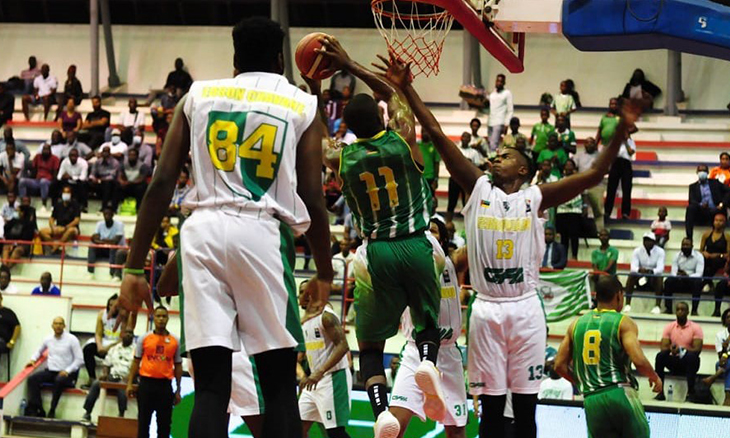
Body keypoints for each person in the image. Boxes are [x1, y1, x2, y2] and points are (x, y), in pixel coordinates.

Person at [382, 52, 641, 438]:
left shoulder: (535, 197)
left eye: (505, 155)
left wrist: (621, 130)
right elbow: (435, 132)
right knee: (489, 412)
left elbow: (595, 174)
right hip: (486, 309)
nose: (496, 156)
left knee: (524, 411)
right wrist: (407, 88)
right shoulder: (479, 186)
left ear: (523, 169)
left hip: (523, 308)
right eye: (496, 152)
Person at [117, 17, 333, 438]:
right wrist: (324, 271)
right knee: (279, 385)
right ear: (279, 59)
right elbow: (313, 197)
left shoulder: (198, 95)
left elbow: (161, 183)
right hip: (262, 234)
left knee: (211, 386)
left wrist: (132, 267)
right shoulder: (300, 104)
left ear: (234, 59)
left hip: (201, 233)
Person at [316, 40, 447, 438]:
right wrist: (351, 64)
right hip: (417, 242)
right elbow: (397, 94)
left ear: (350, 128)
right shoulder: (403, 141)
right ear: (381, 116)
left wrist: (314, 88)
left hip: (376, 254)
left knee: (371, 346)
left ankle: (381, 413)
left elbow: (320, 136)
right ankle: (427, 360)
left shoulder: (343, 157)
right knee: (426, 323)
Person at [388, 219, 469, 438]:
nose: (426, 235)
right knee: (393, 426)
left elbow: (476, 246)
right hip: (415, 353)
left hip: (447, 353)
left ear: (442, 240)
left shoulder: (453, 262)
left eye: (431, 231)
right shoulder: (404, 264)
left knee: (456, 430)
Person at [554, 275, 661, 438]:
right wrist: (654, 377)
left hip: (591, 399)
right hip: (618, 393)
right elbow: (638, 360)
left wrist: (583, 382)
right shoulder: (622, 322)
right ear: (619, 295)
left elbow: (559, 366)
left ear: (596, 296)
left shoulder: (576, 324)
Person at [298, 284, 352, 438]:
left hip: (333, 378)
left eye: (309, 291)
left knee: (335, 433)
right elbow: (303, 357)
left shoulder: (326, 316)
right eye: (302, 292)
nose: (305, 295)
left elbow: (343, 346)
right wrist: (304, 376)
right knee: (296, 429)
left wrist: (319, 372)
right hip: (314, 381)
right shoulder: (304, 322)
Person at [126, 306, 182, 438]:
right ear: (154, 318)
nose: (161, 319)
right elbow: (136, 361)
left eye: (164, 316)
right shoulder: (144, 338)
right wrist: (129, 383)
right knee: (143, 423)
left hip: (165, 386)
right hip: (146, 385)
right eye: (158, 316)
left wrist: (178, 390)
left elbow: (178, 365)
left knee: (164, 425)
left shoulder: (175, 341)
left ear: (168, 319)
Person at [25, 316, 83, 418]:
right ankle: (38, 408)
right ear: (52, 326)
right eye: (56, 324)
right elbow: (39, 350)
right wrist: (33, 359)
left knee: (59, 380)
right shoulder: (48, 339)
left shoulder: (72, 339)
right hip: (51, 371)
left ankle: (52, 409)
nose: (58, 326)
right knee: (32, 379)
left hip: (66, 373)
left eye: (60, 324)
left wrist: (67, 370)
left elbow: (79, 359)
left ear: (64, 326)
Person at [654, 302, 703, 401]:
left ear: (688, 312)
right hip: (674, 360)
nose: (680, 312)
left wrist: (682, 349)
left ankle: (691, 392)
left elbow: (697, 349)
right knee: (660, 356)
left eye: (683, 310)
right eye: (678, 310)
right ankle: (660, 392)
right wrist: (671, 348)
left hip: (688, 361)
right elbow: (663, 347)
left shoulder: (696, 328)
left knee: (692, 357)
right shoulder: (669, 327)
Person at [83, 328, 135, 421]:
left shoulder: (136, 350)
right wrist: (105, 374)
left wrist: (129, 378)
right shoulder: (114, 349)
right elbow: (106, 364)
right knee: (96, 383)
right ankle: (87, 412)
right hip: (113, 376)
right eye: (126, 332)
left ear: (133, 336)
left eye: (130, 333)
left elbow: (138, 368)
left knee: (122, 386)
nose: (128, 335)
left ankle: (121, 414)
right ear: (121, 335)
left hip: (127, 378)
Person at [82, 294, 122, 388]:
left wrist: (108, 348)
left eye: (115, 306)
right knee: (88, 349)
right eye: (110, 305)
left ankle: (114, 381)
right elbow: (98, 333)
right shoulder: (101, 314)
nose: (112, 308)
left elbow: (123, 338)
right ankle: (92, 378)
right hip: (105, 342)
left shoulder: (125, 316)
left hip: (118, 345)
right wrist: (99, 346)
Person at [624, 233, 665, 313]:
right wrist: (640, 270)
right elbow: (633, 267)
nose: (646, 242)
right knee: (631, 275)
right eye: (645, 240)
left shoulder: (660, 251)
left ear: (654, 242)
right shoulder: (637, 251)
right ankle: (627, 304)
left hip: (652, 277)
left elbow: (660, 269)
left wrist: (650, 271)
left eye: (649, 240)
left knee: (659, 277)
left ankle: (657, 306)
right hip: (640, 276)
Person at [664, 238, 704, 315]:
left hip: (691, 281)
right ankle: (668, 308)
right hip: (679, 280)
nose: (685, 247)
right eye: (683, 245)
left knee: (698, 282)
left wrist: (687, 276)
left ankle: (694, 310)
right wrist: (679, 275)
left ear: (692, 246)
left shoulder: (699, 256)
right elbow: (673, 272)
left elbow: (699, 273)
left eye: (687, 245)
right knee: (668, 281)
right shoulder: (677, 256)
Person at [687, 165, 729, 238]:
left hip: (715, 210)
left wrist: (722, 203)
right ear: (697, 172)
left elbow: (728, 191)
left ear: (708, 172)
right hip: (701, 212)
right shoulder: (693, 186)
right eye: (700, 171)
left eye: (704, 171)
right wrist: (700, 205)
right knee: (690, 208)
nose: (702, 173)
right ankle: (689, 237)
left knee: (721, 212)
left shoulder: (715, 183)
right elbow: (692, 200)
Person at [555, 159, 585, 259]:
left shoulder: (579, 180)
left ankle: (574, 255)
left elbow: (583, 194)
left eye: (570, 165)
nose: (568, 167)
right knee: (564, 236)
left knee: (574, 235)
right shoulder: (560, 180)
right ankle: (564, 257)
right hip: (562, 211)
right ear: (564, 168)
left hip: (575, 211)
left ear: (574, 167)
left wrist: (584, 207)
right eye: (566, 165)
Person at [39, 185, 80, 254]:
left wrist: (65, 227)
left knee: (71, 230)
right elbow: (51, 218)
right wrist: (53, 227)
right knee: (42, 231)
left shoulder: (75, 205)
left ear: (71, 194)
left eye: (68, 192)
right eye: (64, 192)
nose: (66, 194)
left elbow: (77, 220)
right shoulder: (58, 204)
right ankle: (56, 249)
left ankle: (54, 248)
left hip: (71, 228)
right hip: (59, 227)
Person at [19, 143, 60, 210]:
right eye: (44, 149)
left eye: (47, 149)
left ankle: (44, 204)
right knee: (22, 181)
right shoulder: (38, 156)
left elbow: (55, 174)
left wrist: (53, 182)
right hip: (37, 180)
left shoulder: (55, 159)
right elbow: (33, 170)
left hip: (48, 181)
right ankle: (23, 202)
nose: (45, 151)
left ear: (50, 150)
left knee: (43, 181)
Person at [574, 137, 603, 229]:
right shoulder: (578, 155)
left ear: (595, 145)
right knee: (579, 210)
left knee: (598, 211)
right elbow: (574, 168)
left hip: (596, 186)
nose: (590, 144)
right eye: (587, 142)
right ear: (584, 145)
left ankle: (600, 232)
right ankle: (581, 230)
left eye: (592, 143)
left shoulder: (600, 156)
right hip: (581, 186)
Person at [88, 207, 125, 279]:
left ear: (113, 215)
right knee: (92, 247)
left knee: (113, 247)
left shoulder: (119, 224)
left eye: (109, 214)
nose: (107, 216)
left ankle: (112, 274)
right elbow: (94, 239)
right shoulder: (99, 224)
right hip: (103, 249)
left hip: (115, 250)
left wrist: (101, 240)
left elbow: (115, 241)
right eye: (105, 214)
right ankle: (90, 272)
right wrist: (108, 241)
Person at [700, 212, 730, 290]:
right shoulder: (706, 234)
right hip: (707, 258)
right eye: (716, 220)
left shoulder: (727, 237)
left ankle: (705, 282)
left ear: (724, 223)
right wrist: (704, 253)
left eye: (720, 221)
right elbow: (701, 250)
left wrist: (717, 255)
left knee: (715, 261)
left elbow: (728, 254)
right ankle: (708, 283)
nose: (718, 223)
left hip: (720, 259)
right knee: (704, 261)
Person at [486, 74, 513, 153]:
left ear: (504, 83)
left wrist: (506, 123)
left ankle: (493, 162)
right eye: (497, 81)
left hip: (499, 122)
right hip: (490, 122)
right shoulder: (492, 94)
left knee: (493, 145)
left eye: (501, 81)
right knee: (491, 144)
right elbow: (488, 108)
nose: (499, 83)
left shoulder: (507, 93)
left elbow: (510, 110)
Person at [0, 291, 20, 359]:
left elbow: (17, 327)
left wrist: (12, 342)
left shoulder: (8, 312)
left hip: (3, 342)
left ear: (1, 299)